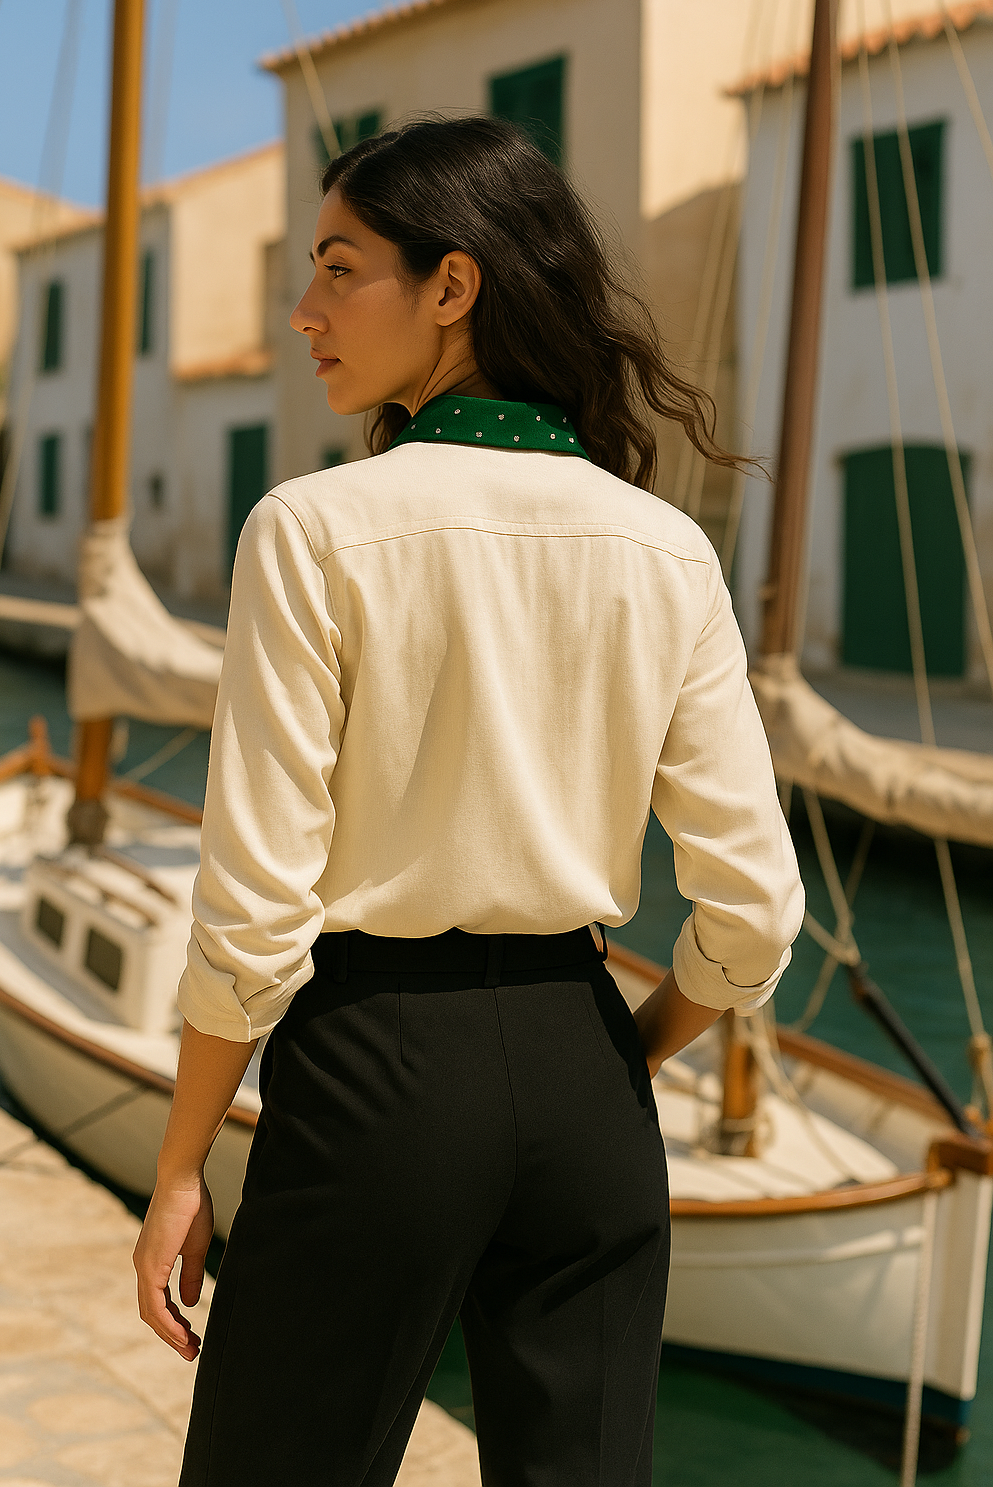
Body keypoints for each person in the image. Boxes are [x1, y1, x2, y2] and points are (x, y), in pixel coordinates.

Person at [133, 116, 804, 1487]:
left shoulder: (314, 530)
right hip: (587, 1079)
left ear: (454, 286)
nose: (304, 311)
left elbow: (257, 908)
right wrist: (625, 1051)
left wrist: (181, 1167)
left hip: (375, 1073)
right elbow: (756, 912)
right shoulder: (667, 549)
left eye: (337, 270)